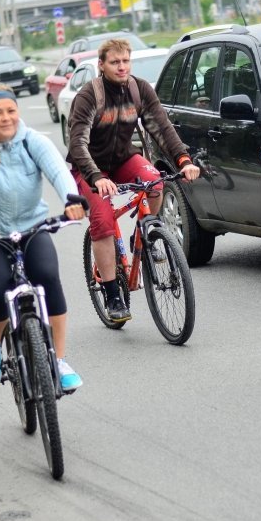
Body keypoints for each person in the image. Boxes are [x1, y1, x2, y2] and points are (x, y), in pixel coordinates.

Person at [0, 70, 87, 392]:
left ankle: (59, 359)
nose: (6, 118)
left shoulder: (33, 140)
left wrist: (71, 199)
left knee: (48, 278)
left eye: (11, 110)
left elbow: (57, 171)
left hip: (31, 228)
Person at [66, 38, 200, 323]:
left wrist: (183, 160)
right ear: (101, 66)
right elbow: (77, 144)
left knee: (155, 183)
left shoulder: (139, 89)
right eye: (115, 62)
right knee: (102, 219)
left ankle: (148, 232)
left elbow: (162, 128)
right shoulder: (90, 96)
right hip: (89, 168)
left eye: (126, 61)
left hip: (123, 159)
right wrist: (96, 177)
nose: (122, 66)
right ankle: (113, 293)